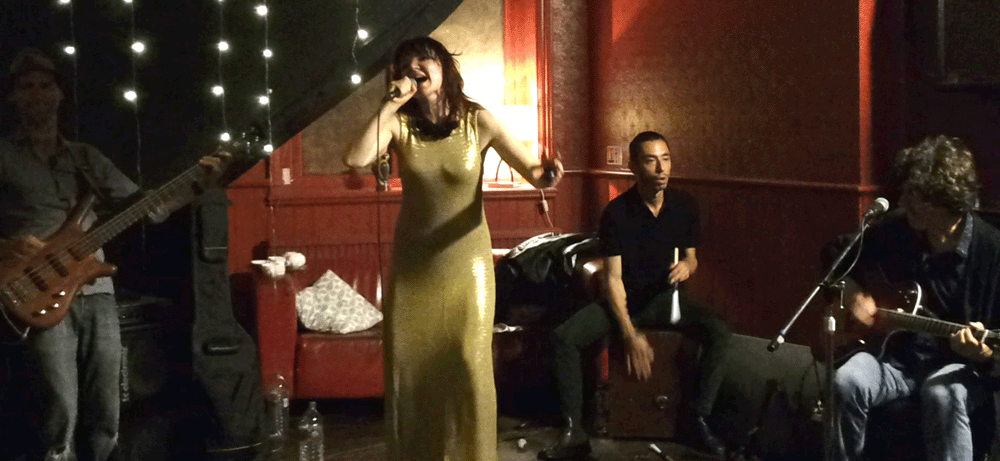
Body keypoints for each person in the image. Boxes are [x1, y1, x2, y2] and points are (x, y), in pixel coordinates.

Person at [343, 36, 563, 461]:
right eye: (405, 64)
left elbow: (535, 173)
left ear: (444, 68)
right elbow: (356, 158)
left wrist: (549, 174)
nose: (414, 68)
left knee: (468, 365)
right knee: (412, 368)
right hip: (414, 268)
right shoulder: (399, 124)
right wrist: (389, 104)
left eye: (423, 60)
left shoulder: (478, 121)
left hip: (468, 266)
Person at [0, 47, 225, 461]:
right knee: (59, 408)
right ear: (13, 97)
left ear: (60, 94)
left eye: (45, 85)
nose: (37, 94)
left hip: (96, 291)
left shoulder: (85, 157)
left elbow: (148, 207)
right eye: (26, 87)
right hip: (36, 289)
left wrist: (198, 185)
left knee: (106, 404)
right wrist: (9, 246)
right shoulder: (4, 156)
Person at [539, 131, 731, 460]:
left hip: (666, 301)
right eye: (651, 160)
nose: (661, 168)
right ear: (633, 167)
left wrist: (688, 265)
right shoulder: (617, 213)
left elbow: (692, 257)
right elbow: (613, 280)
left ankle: (698, 420)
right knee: (563, 338)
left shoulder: (684, 205)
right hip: (625, 302)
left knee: (720, 332)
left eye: (666, 159)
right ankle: (573, 432)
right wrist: (629, 334)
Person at [831, 135, 1000, 461]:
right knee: (846, 380)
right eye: (907, 191)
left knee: (942, 393)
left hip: (957, 367)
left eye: (916, 196)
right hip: (895, 358)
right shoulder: (899, 228)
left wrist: (981, 351)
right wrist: (853, 292)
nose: (904, 202)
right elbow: (836, 253)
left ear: (949, 203)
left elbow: (993, 356)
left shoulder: (992, 251)